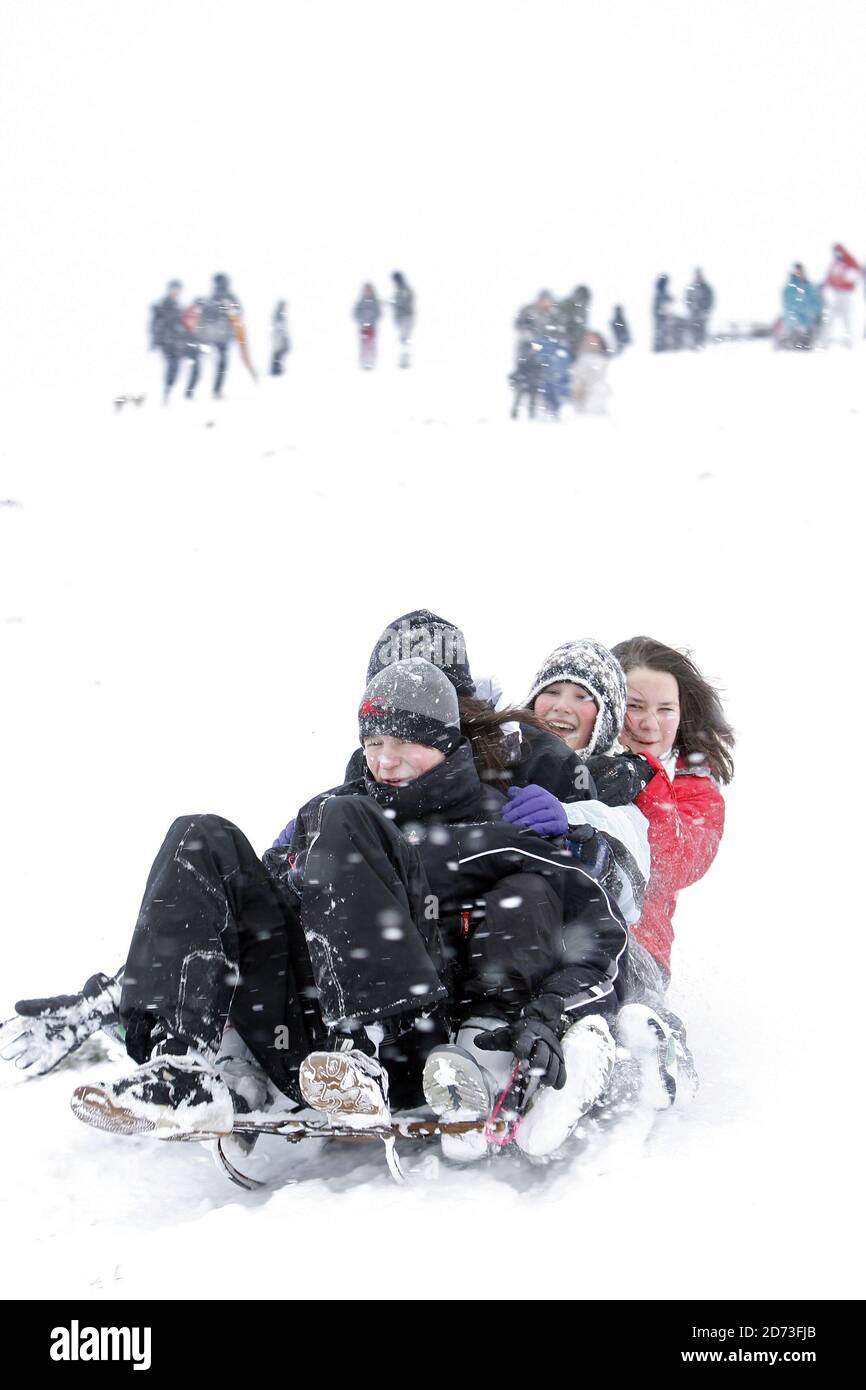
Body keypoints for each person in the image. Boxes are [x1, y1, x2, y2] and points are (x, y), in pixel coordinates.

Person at [187, 273, 244, 399]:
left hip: (211, 336)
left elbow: (205, 317)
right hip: (221, 337)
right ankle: (215, 390)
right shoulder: (228, 298)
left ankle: (192, 390)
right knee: (220, 365)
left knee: (201, 364)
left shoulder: (212, 298)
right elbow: (237, 315)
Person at [148, 280, 190, 404]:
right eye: (174, 289)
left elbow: (184, 324)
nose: (176, 292)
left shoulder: (179, 306)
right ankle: (167, 392)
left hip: (177, 341)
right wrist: (155, 340)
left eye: (178, 289)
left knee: (175, 367)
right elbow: (155, 324)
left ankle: (169, 391)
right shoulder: (162, 304)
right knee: (172, 365)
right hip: (166, 341)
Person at [821, 243, 860, 347]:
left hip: (846, 294)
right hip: (834, 294)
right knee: (830, 318)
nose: (837, 253)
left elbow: (856, 274)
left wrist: (847, 277)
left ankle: (850, 341)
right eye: (835, 251)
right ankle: (824, 342)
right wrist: (825, 285)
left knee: (846, 318)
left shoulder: (849, 261)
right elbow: (828, 278)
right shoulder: (834, 263)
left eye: (838, 251)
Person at [780, 263, 822, 350]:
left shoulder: (809, 286)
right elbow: (789, 307)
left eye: (800, 271)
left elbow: (817, 302)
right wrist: (798, 322)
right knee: (796, 347)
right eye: (797, 271)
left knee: (807, 346)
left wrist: (816, 315)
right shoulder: (790, 288)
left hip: (810, 324)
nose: (799, 273)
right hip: (795, 326)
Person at [684, 269, 714, 349]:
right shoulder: (691, 287)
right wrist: (691, 308)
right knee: (693, 329)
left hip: (703, 313)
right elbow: (687, 299)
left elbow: (710, 299)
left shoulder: (706, 287)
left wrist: (706, 310)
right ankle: (694, 344)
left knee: (702, 329)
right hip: (693, 313)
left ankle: (701, 344)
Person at [354, 283, 381, 369]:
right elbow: (355, 313)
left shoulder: (375, 301)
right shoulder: (360, 302)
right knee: (363, 345)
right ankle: (364, 362)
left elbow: (378, 313)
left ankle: (371, 362)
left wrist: (372, 320)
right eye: (366, 290)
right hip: (363, 327)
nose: (367, 292)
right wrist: (361, 321)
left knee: (371, 344)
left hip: (372, 327)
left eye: (368, 290)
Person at [390, 272, 414, 368]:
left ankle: (405, 360)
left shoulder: (405, 290)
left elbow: (404, 303)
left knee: (405, 339)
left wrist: (394, 303)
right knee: (403, 338)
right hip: (400, 317)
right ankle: (404, 359)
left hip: (406, 317)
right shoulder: (399, 290)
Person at [652, 275, 674, 351]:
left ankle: (660, 347)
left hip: (659, 315)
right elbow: (662, 303)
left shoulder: (659, 291)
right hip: (661, 315)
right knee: (661, 332)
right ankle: (660, 348)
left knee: (660, 332)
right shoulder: (661, 292)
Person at [270, 301, 291, 375]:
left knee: (279, 354)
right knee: (278, 354)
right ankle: (276, 371)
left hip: (279, 338)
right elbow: (279, 326)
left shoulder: (280, 314)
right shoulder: (279, 314)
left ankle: (277, 370)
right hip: (279, 338)